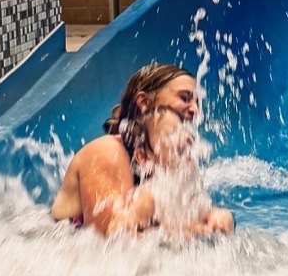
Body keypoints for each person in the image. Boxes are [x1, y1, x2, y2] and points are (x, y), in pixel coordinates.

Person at [50, 62, 236, 236]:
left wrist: (215, 217)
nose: (195, 109)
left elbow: (183, 214)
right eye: (185, 98)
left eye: (197, 102)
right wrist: (197, 231)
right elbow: (109, 241)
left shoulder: (169, 160)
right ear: (144, 102)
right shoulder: (106, 152)